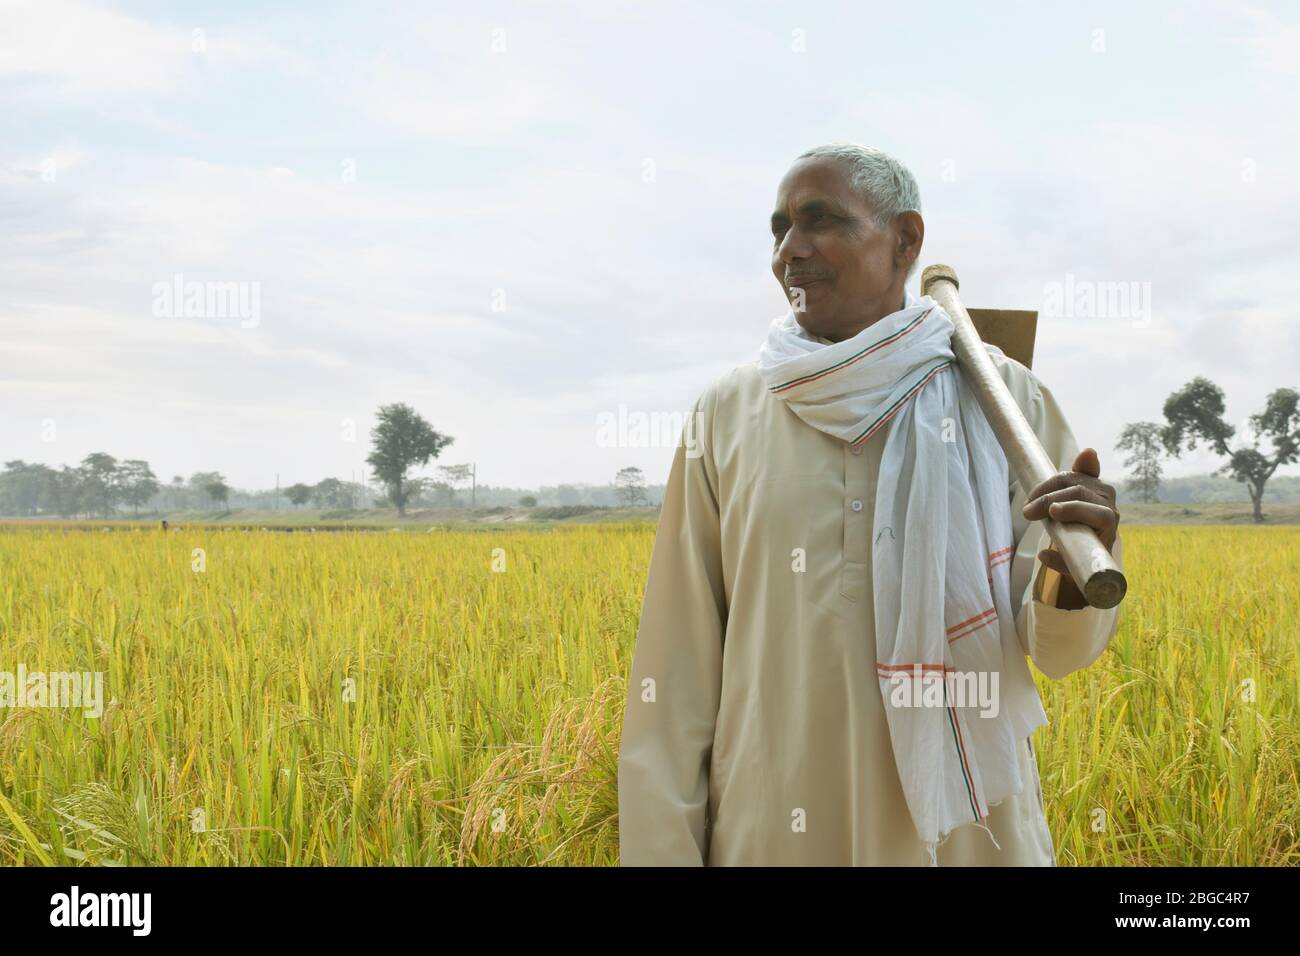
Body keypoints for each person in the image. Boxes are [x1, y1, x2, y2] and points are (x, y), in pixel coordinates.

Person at [617, 142, 1123, 866]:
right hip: (774, 823)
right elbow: (677, 666)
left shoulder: (1004, 399)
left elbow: (1060, 650)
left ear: (906, 240)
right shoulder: (726, 414)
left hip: (963, 835)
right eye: (778, 230)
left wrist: (1068, 575)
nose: (790, 251)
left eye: (818, 220)